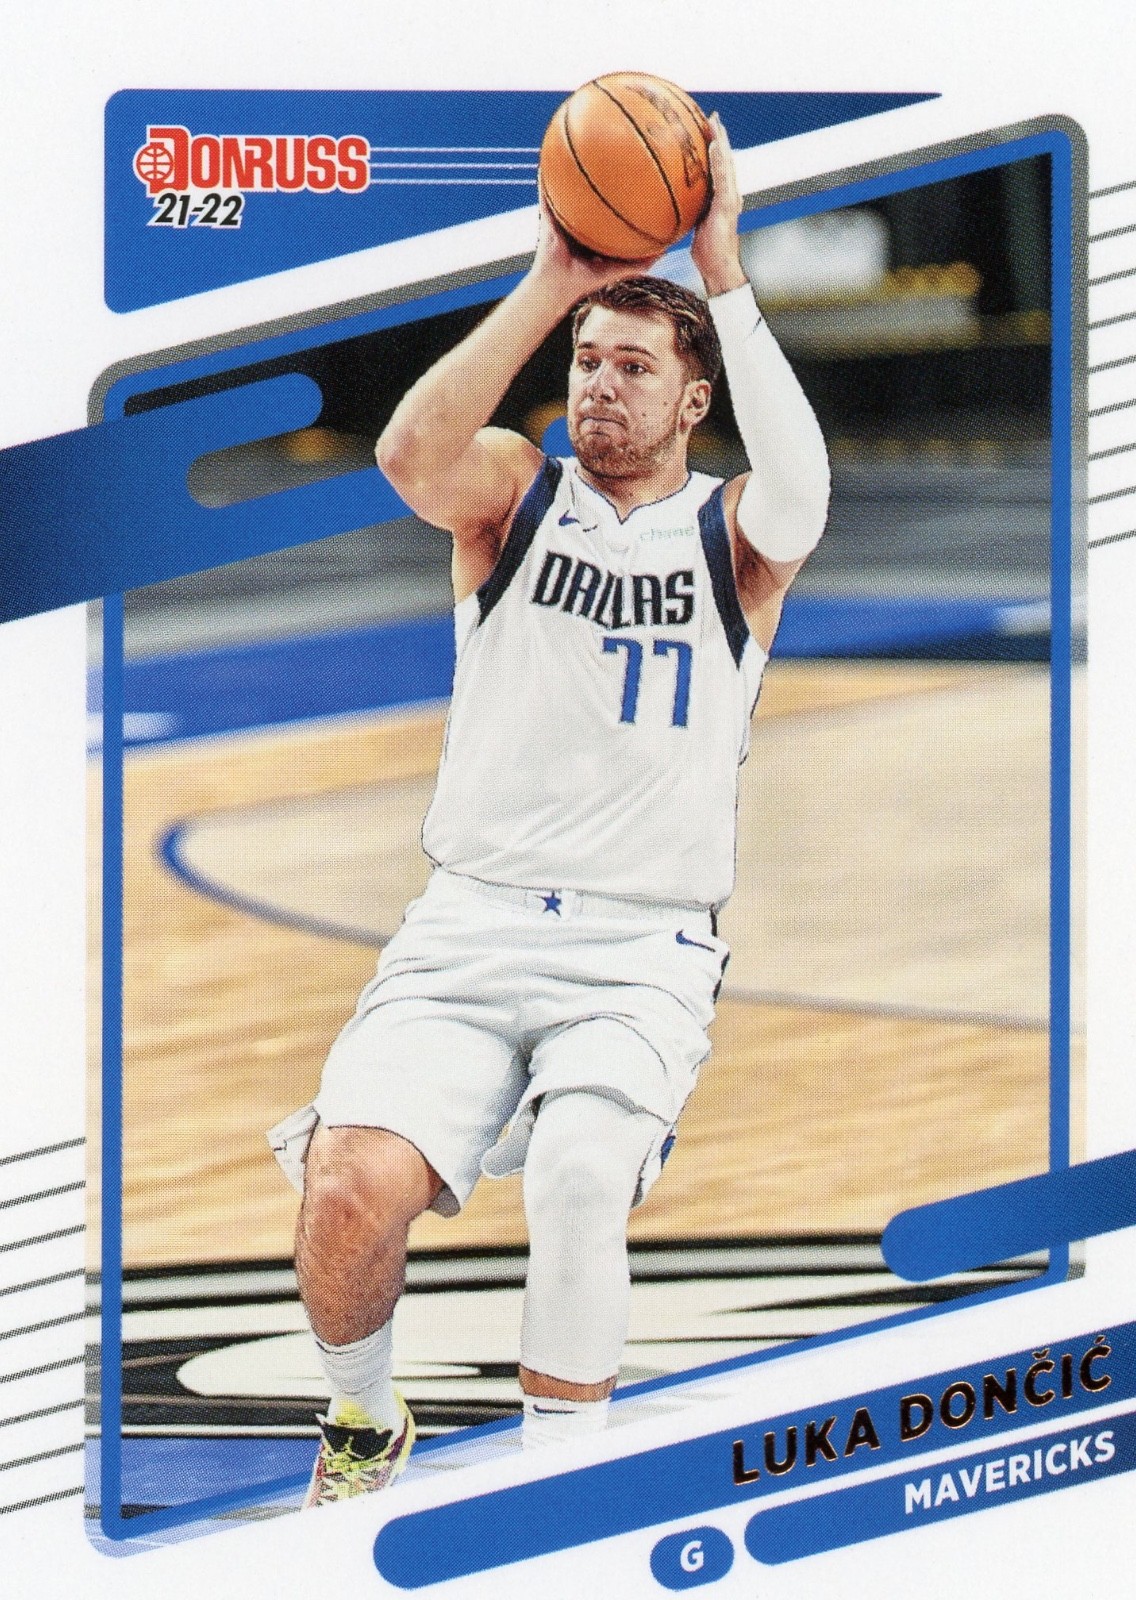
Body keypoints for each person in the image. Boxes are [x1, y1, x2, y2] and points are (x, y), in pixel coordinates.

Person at [268, 116, 830, 1507]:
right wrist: (551, 281)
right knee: (345, 1186)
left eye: (635, 366)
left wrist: (724, 270)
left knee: (581, 1174)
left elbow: (808, 491)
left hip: (641, 946)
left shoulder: (735, 537)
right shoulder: (515, 497)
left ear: (693, 402)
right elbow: (407, 455)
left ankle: (558, 1494)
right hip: (468, 927)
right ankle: (360, 1423)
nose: (600, 384)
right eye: (588, 360)